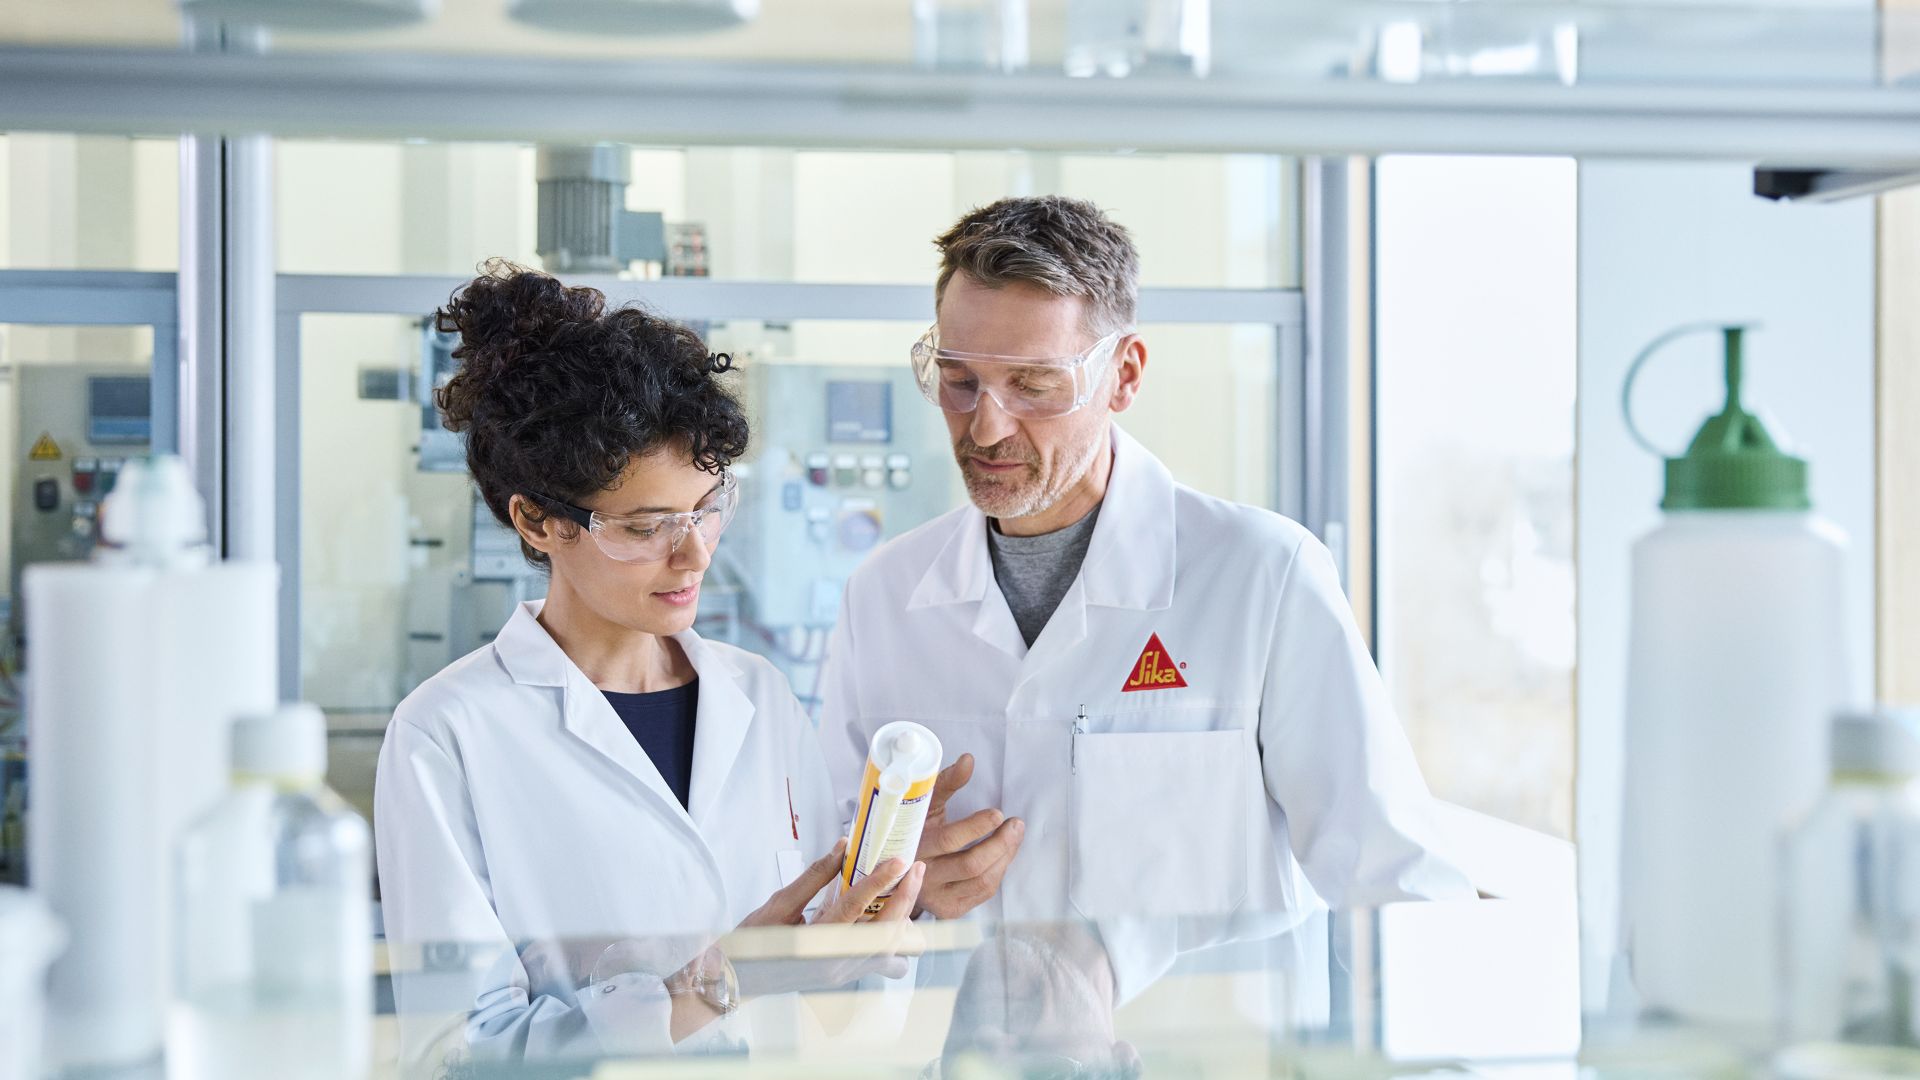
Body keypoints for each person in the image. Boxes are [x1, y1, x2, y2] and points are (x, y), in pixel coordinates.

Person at [819, 196, 1473, 1003]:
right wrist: (904, 899)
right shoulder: (884, 596)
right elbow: (824, 890)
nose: (985, 428)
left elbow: (1394, 880)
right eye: (959, 382)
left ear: (1123, 374)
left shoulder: (1261, 576)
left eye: (1033, 385)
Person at [374, 261, 924, 1065]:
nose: (693, 553)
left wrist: (877, 928)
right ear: (535, 521)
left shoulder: (760, 697)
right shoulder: (447, 734)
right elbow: (460, 1055)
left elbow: (834, 998)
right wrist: (723, 979)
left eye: (707, 507)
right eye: (645, 527)